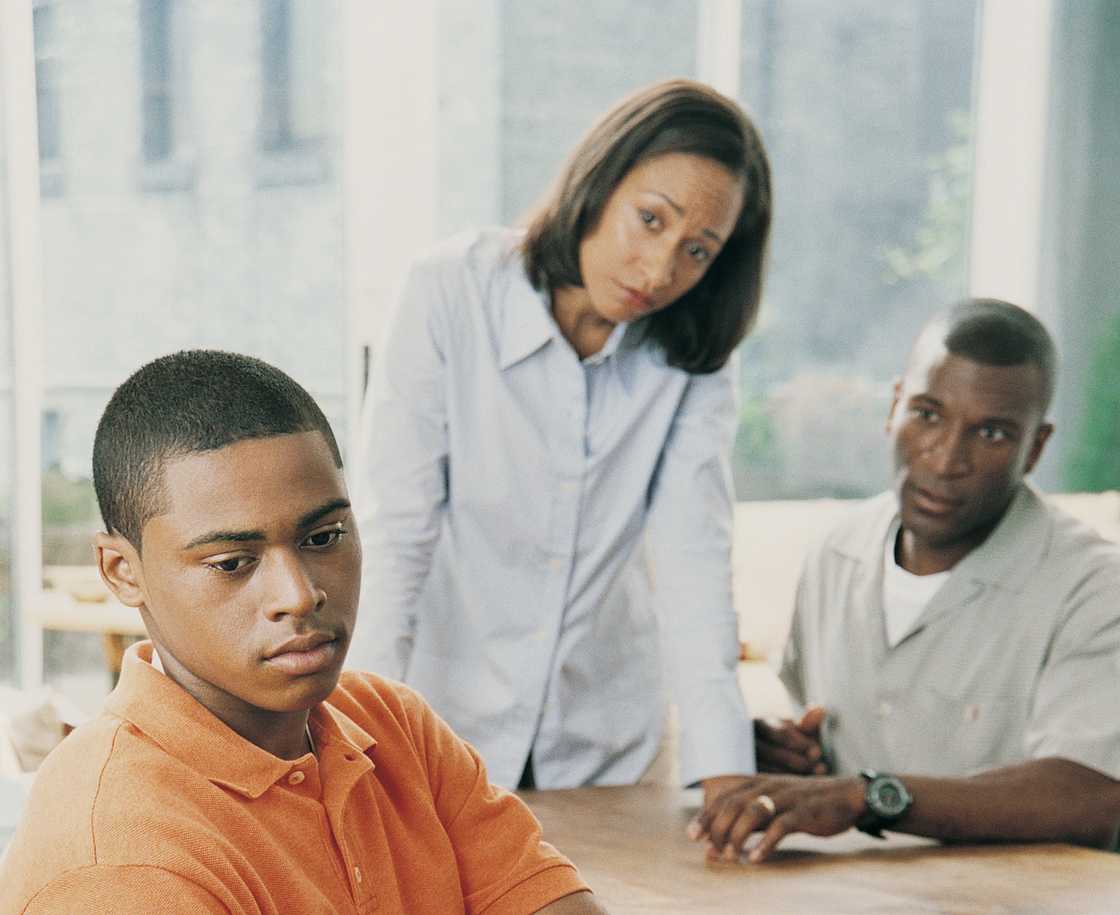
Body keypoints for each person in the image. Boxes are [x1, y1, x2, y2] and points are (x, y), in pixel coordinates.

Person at [0, 351, 606, 914]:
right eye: (232, 562)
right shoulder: (117, 863)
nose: (299, 594)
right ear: (121, 572)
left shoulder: (392, 725)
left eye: (324, 538)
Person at [352, 79, 771, 805]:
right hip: (443, 728)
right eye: (650, 219)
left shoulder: (694, 357)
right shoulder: (450, 291)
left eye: (698, 250)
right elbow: (396, 535)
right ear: (599, 180)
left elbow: (692, 560)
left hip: (602, 745)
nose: (660, 270)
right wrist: (353, 740)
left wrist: (726, 772)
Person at [690, 298, 1120, 862]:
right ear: (894, 406)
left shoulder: (1094, 590)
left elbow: (1093, 797)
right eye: (927, 414)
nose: (945, 460)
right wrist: (788, 754)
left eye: (990, 433)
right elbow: (826, 735)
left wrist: (867, 797)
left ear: (1034, 448)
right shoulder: (834, 554)